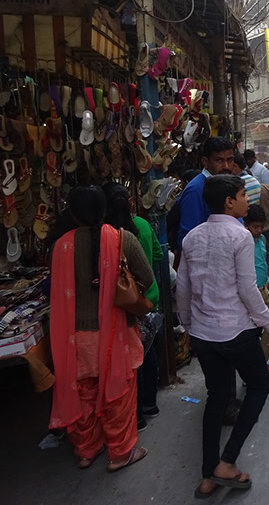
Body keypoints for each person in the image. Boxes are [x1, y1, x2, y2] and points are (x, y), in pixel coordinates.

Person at [176, 175, 269, 498]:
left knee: (217, 397)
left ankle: (208, 473)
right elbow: (248, 289)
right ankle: (227, 461)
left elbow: (183, 288)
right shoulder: (240, 236)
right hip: (236, 331)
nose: (248, 200)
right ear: (229, 202)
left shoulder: (192, 237)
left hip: (204, 335)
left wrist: (188, 325)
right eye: (243, 195)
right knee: (259, 386)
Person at [49, 186, 152, 471]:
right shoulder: (122, 238)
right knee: (119, 394)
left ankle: (87, 450)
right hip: (115, 332)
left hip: (75, 337)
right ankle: (120, 453)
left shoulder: (61, 246)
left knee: (83, 392)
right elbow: (147, 278)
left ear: (73, 214)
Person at [103, 182, 163, 431]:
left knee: (130, 360)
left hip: (125, 304)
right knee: (147, 351)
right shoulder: (142, 225)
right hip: (147, 299)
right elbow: (158, 255)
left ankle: (136, 416)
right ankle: (150, 403)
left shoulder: (108, 235)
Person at [175, 137, 235, 252]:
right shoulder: (196, 189)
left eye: (230, 160)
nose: (226, 166)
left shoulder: (227, 185)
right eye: (219, 160)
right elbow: (189, 238)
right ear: (205, 162)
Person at [243, 205, 269, 379]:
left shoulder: (262, 239)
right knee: (256, 331)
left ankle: (258, 366)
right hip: (251, 292)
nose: (259, 230)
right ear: (246, 225)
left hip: (264, 289)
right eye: (255, 227)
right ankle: (257, 369)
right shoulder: (244, 242)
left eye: (261, 227)